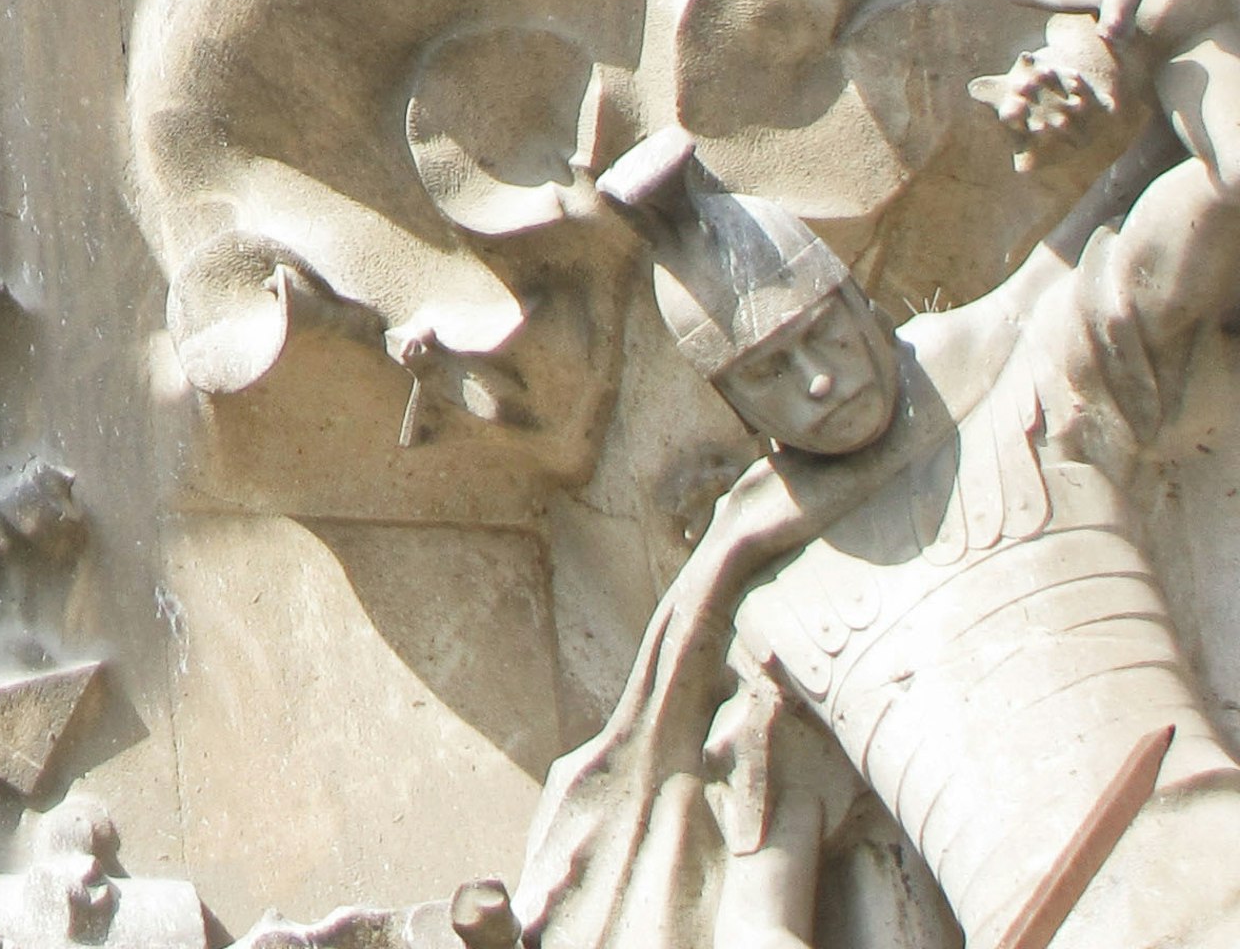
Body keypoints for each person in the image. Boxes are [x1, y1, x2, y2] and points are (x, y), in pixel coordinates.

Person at [520, 127, 1240, 949]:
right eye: (769, 372)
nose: (819, 379)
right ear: (741, 414)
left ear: (865, 305)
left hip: (1214, 863)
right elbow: (761, 911)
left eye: (823, 332)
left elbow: (1171, 243)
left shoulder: (1032, 398)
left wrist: (1189, 70)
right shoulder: (769, 619)